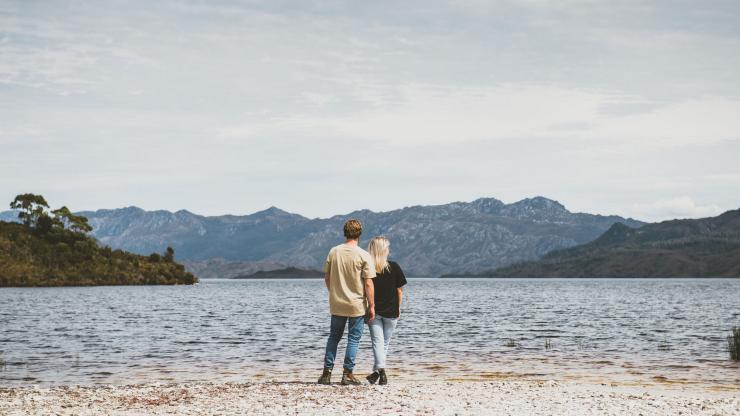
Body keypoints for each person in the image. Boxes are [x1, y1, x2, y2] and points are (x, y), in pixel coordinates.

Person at [317, 219, 376, 385]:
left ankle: (326, 374)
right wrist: (371, 305)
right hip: (356, 305)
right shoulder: (363, 255)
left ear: (345, 232)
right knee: (353, 339)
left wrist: (335, 292)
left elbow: (327, 278)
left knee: (333, 338)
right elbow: (368, 283)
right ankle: (347, 374)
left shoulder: (333, 252)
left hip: (337, 303)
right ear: (359, 234)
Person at [365, 236, 407, 385]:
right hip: (391, 312)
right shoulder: (394, 267)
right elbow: (400, 291)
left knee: (378, 342)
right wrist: (398, 308)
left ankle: (378, 373)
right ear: (384, 250)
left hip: (374, 312)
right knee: (385, 343)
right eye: (387, 248)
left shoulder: (367, 268)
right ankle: (380, 372)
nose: (389, 250)